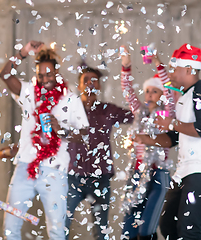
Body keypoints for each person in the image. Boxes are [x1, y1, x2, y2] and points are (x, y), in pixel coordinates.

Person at [0, 41, 89, 240]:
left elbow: (84, 134)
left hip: (55, 171)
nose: (45, 79)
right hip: (25, 166)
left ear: (57, 72)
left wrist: (61, 130)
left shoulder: (70, 99)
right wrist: (23, 52)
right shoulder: (29, 92)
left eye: (49, 74)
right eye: (40, 75)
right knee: (10, 227)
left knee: (57, 231)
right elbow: (4, 74)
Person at [151, 43, 201, 240]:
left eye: (174, 68)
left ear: (188, 69)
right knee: (168, 226)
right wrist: (144, 139)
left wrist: (170, 123)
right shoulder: (184, 97)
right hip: (185, 171)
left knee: (188, 230)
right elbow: (174, 138)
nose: (171, 72)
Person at [65, 66, 134, 240]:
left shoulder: (108, 110)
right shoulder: (69, 110)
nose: (90, 83)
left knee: (101, 229)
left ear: (100, 86)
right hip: (73, 176)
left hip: (101, 178)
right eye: (85, 80)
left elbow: (135, 116)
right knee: (61, 226)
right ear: (79, 85)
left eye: (94, 80)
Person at [119, 46, 175, 240]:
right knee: (129, 225)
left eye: (155, 91)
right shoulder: (140, 113)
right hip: (137, 173)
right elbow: (127, 91)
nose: (149, 95)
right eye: (147, 91)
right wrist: (126, 66)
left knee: (147, 228)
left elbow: (170, 92)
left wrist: (159, 64)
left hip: (158, 174)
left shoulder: (165, 114)